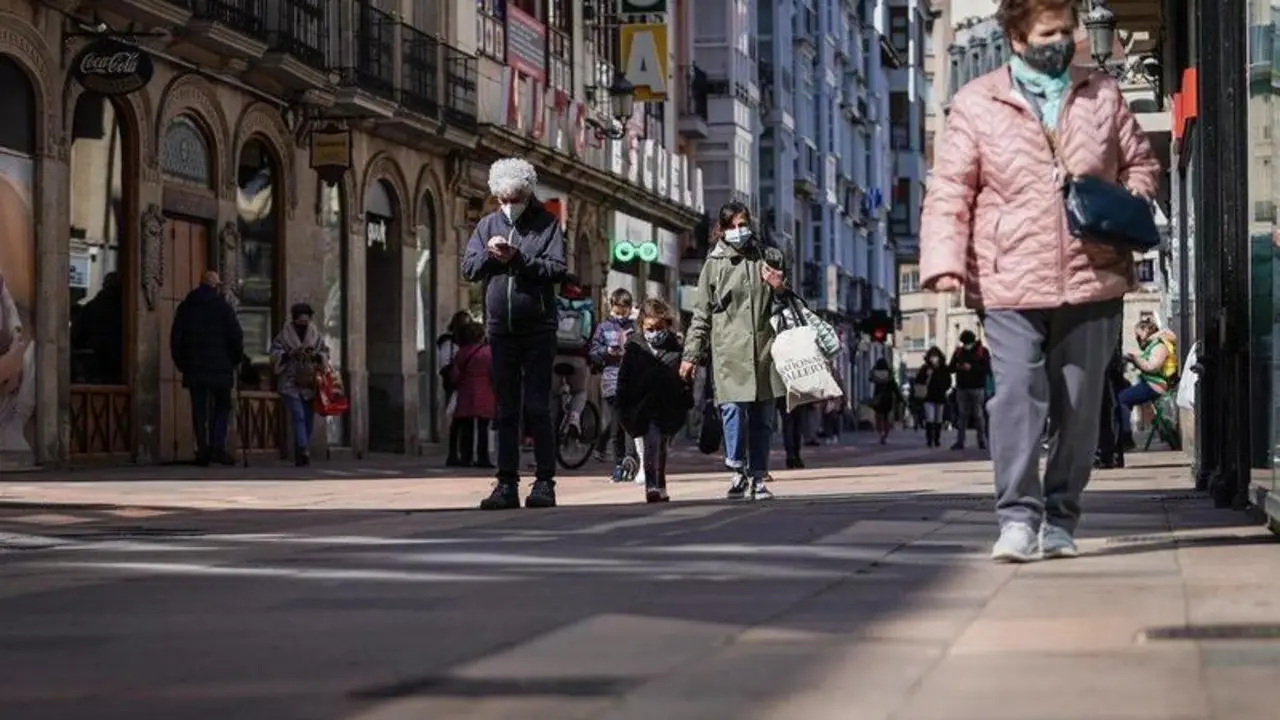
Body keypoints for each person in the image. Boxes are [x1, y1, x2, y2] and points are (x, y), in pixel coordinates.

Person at [919, 0, 1159, 562]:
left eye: (1067, 32)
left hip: (1092, 271)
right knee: (1017, 397)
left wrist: (1127, 201)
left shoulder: (1101, 93)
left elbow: (1142, 163)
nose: (1062, 42)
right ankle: (1018, 518)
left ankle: (1061, 517)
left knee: (1079, 404)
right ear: (1018, 37)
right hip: (1007, 274)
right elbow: (951, 186)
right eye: (1049, 32)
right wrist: (943, 260)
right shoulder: (977, 102)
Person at [461, 157, 568, 510]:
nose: (509, 205)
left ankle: (544, 482)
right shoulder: (488, 223)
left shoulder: (547, 225)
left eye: (515, 198)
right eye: (503, 199)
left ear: (526, 192)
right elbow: (469, 268)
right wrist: (495, 258)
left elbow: (557, 270)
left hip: (538, 328)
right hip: (500, 331)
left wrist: (519, 259)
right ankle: (506, 484)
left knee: (536, 406)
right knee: (505, 409)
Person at [681, 201, 789, 500]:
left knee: (763, 417)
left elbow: (787, 304)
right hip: (729, 352)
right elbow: (701, 314)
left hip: (765, 349)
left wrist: (778, 287)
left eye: (743, 225)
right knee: (732, 410)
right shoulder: (713, 264)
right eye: (732, 226)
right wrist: (690, 355)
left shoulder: (769, 257)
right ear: (722, 229)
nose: (738, 231)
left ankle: (758, 476)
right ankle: (737, 468)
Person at [616, 297, 692, 503]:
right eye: (649, 328)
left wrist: (686, 398)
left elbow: (685, 379)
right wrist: (622, 403)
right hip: (643, 405)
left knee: (661, 445)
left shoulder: (676, 347)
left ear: (667, 325)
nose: (654, 333)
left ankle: (660, 482)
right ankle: (651, 485)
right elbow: (624, 377)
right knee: (651, 441)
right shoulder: (634, 347)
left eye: (659, 327)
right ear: (641, 326)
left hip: (668, 405)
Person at [170, 270, 244, 467]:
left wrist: (182, 363)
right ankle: (217, 447)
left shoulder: (186, 307)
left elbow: (176, 338)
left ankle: (202, 448)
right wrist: (235, 360)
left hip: (194, 368)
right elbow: (236, 337)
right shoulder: (223, 308)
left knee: (199, 409)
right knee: (221, 407)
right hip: (221, 367)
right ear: (216, 286)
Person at [269, 302, 329, 466]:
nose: (303, 324)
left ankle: (302, 445)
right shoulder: (283, 336)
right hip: (290, 382)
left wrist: (318, 357)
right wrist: (288, 355)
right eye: (300, 321)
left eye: (306, 321)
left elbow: (325, 352)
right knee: (298, 415)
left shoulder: (316, 336)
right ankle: (302, 449)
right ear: (294, 320)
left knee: (308, 417)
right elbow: (274, 354)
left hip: (310, 382)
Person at [589, 288, 639, 481]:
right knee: (617, 425)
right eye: (618, 310)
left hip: (632, 381)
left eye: (624, 310)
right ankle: (620, 463)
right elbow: (593, 351)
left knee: (629, 424)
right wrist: (607, 351)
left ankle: (630, 460)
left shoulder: (635, 327)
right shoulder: (603, 328)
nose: (620, 315)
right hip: (611, 381)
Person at [1118, 319, 1176, 448]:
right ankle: (1125, 433)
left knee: (1121, 399)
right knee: (1125, 396)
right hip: (1151, 384)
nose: (1137, 337)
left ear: (1146, 330)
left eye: (1138, 333)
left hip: (1155, 386)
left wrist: (1135, 359)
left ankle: (1126, 436)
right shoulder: (1153, 344)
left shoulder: (1159, 345)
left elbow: (1152, 367)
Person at [552, 274, 594, 436]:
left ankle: (550, 428)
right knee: (579, 391)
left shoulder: (555, 303)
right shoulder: (586, 306)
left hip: (556, 355)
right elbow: (592, 334)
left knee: (551, 393)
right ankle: (574, 418)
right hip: (579, 356)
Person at [450, 320, 495, 468]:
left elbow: (455, 375)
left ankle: (466, 457)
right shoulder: (488, 352)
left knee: (466, 427)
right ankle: (483, 457)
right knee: (483, 427)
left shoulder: (461, 353)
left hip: (466, 391)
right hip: (485, 391)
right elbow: (494, 373)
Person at [438, 310, 475, 466]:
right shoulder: (449, 342)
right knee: (457, 421)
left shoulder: (467, 344)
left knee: (467, 421)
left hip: (466, 384)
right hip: (455, 385)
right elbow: (445, 365)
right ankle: (454, 454)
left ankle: (465, 454)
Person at [948, 330, 990, 450]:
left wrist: (972, 367)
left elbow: (987, 368)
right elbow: (950, 368)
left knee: (978, 415)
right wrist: (959, 367)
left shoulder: (982, 351)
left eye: (967, 343)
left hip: (977, 387)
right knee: (963, 416)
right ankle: (960, 441)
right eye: (964, 343)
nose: (966, 345)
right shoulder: (958, 352)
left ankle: (981, 440)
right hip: (962, 387)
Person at [914, 347, 953, 447]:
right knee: (930, 418)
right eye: (932, 356)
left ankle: (937, 439)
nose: (934, 358)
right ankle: (929, 439)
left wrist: (943, 388)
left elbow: (948, 381)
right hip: (928, 396)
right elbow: (918, 381)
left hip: (940, 396)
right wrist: (926, 376)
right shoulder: (925, 368)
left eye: (935, 356)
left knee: (938, 419)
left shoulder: (944, 368)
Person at [869, 359, 903, 444]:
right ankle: (885, 434)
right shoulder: (890, 376)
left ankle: (881, 433)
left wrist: (874, 369)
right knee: (886, 418)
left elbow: (870, 378)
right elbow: (895, 387)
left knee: (878, 417)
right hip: (888, 399)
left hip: (878, 398)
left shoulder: (876, 376)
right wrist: (900, 398)